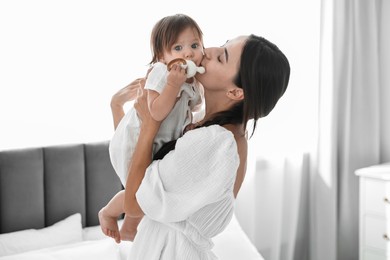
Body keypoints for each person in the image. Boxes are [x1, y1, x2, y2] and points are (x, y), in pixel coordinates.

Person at [116, 34, 290, 259]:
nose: (209, 50)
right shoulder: (214, 130)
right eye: (224, 43)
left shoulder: (215, 143)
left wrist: (151, 123)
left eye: (222, 57)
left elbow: (133, 204)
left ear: (236, 92)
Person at [98, 14, 205, 243]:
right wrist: (173, 85)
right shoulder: (161, 73)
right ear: (161, 56)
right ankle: (108, 212)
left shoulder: (192, 80)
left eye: (194, 45)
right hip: (134, 140)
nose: (188, 53)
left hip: (158, 141)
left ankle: (129, 227)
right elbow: (156, 112)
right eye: (178, 47)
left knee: (148, 191)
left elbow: (193, 107)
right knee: (138, 192)